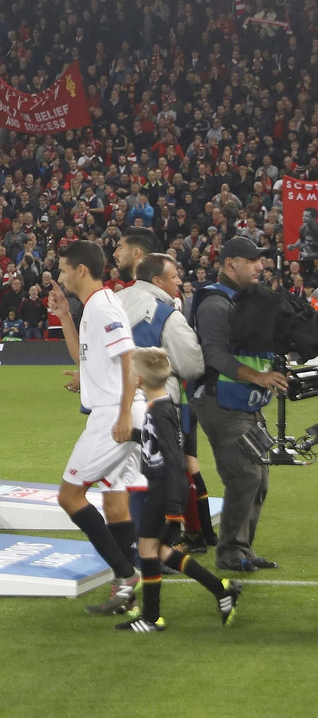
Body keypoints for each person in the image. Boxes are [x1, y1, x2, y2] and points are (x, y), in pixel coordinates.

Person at [45, 239, 143, 615]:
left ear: (81, 270)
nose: (61, 276)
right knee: (115, 504)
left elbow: (128, 358)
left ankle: (125, 574)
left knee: (69, 497)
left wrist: (122, 414)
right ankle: (127, 590)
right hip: (113, 410)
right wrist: (65, 316)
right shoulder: (93, 307)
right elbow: (82, 356)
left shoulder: (102, 306)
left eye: (64, 269)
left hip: (111, 417)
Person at [118, 348, 242, 634]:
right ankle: (220, 590)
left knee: (149, 549)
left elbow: (174, 462)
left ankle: (152, 618)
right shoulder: (163, 405)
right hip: (162, 489)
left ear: (137, 380)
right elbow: (164, 445)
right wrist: (135, 435)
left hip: (163, 491)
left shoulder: (158, 412)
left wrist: (174, 512)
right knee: (157, 550)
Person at [188, 235, 287, 573]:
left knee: (259, 478)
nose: (260, 266)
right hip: (221, 401)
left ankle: (242, 549)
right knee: (244, 475)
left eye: (261, 260)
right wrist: (257, 377)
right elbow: (213, 354)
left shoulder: (246, 301)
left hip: (243, 401)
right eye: (252, 260)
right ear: (230, 264)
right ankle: (230, 553)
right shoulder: (216, 303)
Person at [116, 251, 214, 554]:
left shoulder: (113, 301)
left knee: (131, 473)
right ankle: (168, 541)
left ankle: (142, 542)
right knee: (172, 469)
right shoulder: (166, 312)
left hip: (117, 403)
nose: (179, 281)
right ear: (157, 279)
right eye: (174, 276)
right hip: (159, 402)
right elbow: (192, 365)